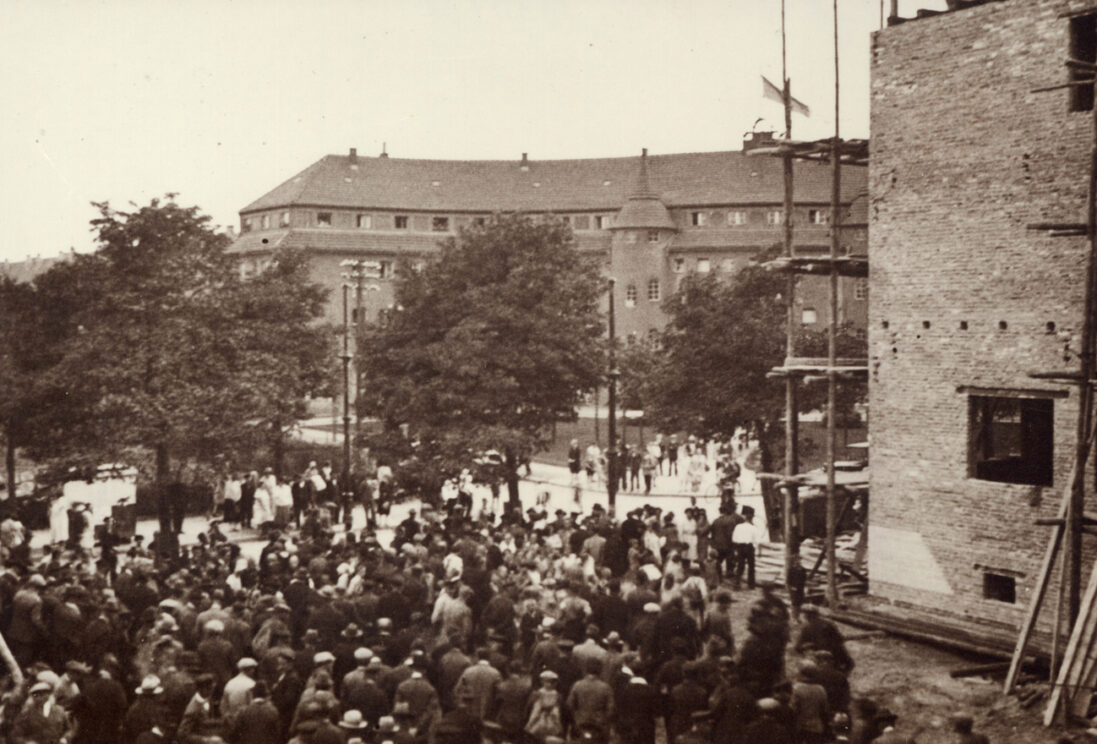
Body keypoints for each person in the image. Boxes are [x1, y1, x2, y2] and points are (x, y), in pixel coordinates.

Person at [731, 505, 761, 590]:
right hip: (749, 547)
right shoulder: (753, 528)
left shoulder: (738, 527)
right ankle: (751, 585)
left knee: (740, 566)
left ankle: (737, 584)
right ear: (751, 518)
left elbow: (734, 539)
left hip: (740, 547)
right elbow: (757, 541)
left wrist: (736, 549)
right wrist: (755, 548)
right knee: (751, 566)